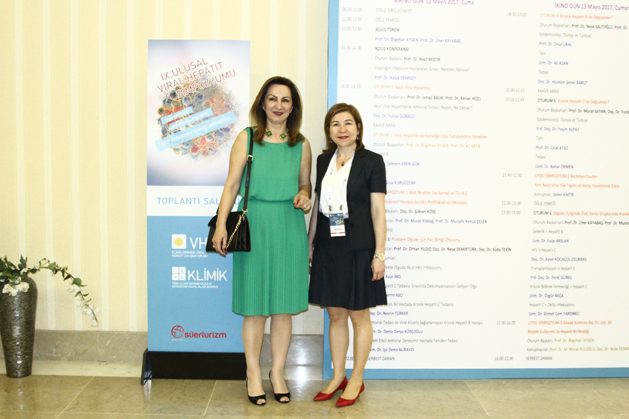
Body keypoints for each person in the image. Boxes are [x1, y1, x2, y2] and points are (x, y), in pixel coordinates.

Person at [211, 76, 312, 406]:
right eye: (272, 98)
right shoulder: (247, 138)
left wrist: (304, 196)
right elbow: (231, 185)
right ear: (262, 104)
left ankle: (277, 372)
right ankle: (253, 373)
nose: (278, 105)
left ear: (293, 107)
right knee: (254, 309)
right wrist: (221, 225)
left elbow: (305, 184)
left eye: (285, 100)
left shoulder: (302, 144)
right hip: (254, 224)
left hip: (288, 227)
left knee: (283, 310)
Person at [308, 103, 387, 408]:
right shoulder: (323, 160)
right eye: (335, 124)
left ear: (358, 128)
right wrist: (310, 245)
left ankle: (356, 378)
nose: (342, 129)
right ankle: (338, 375)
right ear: (329, 131)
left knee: (359, 315)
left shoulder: (372, 161)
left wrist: (380, 254)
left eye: (348, 123)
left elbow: (378, 211)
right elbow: (318, 205)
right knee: (336, 315)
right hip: (328, 246)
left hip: (359, 247)